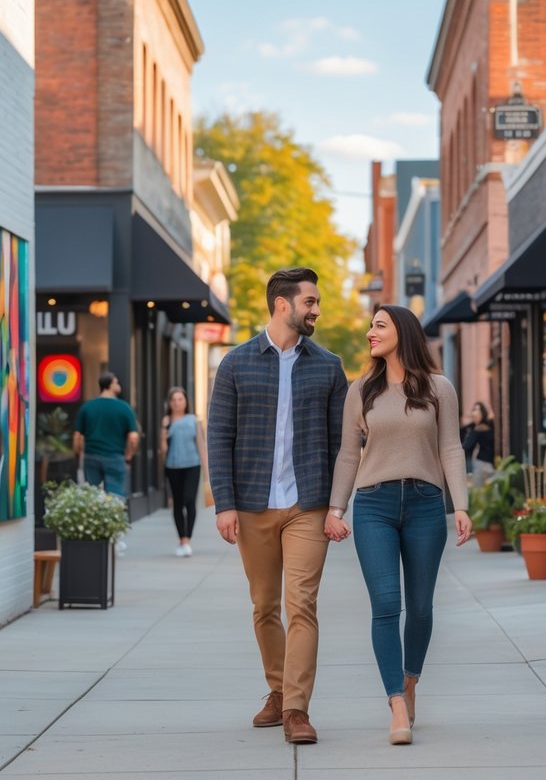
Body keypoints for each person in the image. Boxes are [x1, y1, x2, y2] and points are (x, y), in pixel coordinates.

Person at [207, 267, 348, 745]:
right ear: (282, 304)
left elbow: (341, 444)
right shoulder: (236, 363)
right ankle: (276, 689)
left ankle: (295, 709)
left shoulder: (329, 365)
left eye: (316, 302)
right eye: (310, 301)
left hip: (308, 505)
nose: (316, 310)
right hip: (251, 505)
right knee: (264, 606)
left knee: (301, 605)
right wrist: (224, 503)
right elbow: (219, 436)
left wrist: (337, 506)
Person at [325, 304, 472, 746]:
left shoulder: (438, 388)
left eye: (379, 325)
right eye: (371, 325)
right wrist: (336, 509)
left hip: (427, 505)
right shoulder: (361, 390)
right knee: (387, 605)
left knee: (422, 608)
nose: (371, 332)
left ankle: (410, 683)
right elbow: (349, 453)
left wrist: (461, 505)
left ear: (402, 332)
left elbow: (451, 448)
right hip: (374, 506)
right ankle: (395, 704)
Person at [72, 371, 140, 498]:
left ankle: (95, 517)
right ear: (110, 385)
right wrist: (129, 455)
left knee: (92, 496)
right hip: (115, 456)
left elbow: (77, 436)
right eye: (116, 382)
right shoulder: (124, 408)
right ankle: (113, 517)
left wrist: (78, 453)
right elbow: (133, 438)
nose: (119, 385)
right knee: (116, 496)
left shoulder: (87, 407)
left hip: (91, 456)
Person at [161, 387, 207, 557]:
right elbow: (163, 449)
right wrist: (164, 429)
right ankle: (182, 539)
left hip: (192, 465)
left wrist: (207, 469)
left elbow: (201, 446)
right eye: (174, 400)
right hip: (172, 466)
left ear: (186, 401)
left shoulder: (194, 420)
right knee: (178, 503)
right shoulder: (167, 420)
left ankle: (187, 539)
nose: (177, 403)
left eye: (180, 399)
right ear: (170, 403)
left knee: (189, 500)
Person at [462, 401, 496, 487]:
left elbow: (466, 446)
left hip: (482, 464)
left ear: (482, 413)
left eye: (476, 410)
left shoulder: (479, 428)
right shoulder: (489, 426)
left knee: (479, 492)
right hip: (489, 464)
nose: (474, 414)